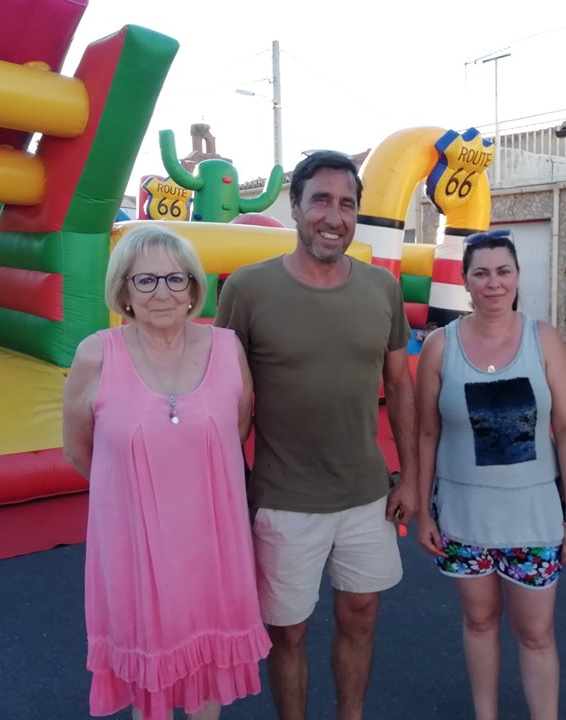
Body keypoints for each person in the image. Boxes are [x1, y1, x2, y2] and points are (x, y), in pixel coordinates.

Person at [214, 150, 418, 720]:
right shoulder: (248, 290)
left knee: (361, 618)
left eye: (347, 204)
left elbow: (400, 387)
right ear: (296, 207)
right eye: (321, 201)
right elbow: (226, 397)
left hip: (366, 497)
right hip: (283, 501)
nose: (334, 216)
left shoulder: (382, 288)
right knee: (288, 635)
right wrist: (230, 491)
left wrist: (412, 479)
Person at [63, 225, 270, 720]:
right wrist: (135, 494)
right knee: (150, 690)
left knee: (205, 679)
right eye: (146, 280)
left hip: (213, 548)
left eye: (177, 280)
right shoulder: (96, 354)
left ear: (195, 288)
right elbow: (79, 450)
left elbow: (234, 430)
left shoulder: (227, 349)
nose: (163, 293)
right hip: (135, 549)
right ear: (124, 290)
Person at [414, 229, 566, 720]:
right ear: (466, 281)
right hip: (464, 519)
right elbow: (426, 433)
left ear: (517, 277)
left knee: (535, 635)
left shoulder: (544, 339)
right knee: (480, 622)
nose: (493, 283)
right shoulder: (439, 346)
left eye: (503, 272)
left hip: (533, 518)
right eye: (481, 273)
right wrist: (424, 510)